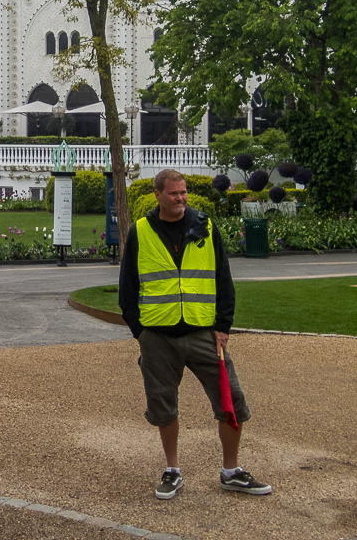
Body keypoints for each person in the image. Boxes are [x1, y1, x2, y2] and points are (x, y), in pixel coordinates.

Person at [118, 168, 270, 500]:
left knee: (232, 401)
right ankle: (173, 470)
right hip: (158, 336)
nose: (181, 198)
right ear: (157, 194)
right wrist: (140, 332)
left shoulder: (205, 225)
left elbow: (223, 278)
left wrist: (222, 326)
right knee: (164, 406)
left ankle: (231, 471)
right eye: (174, 193)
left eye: (184, 192)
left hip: (204, 333)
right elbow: (127, 288)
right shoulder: (140, 232)